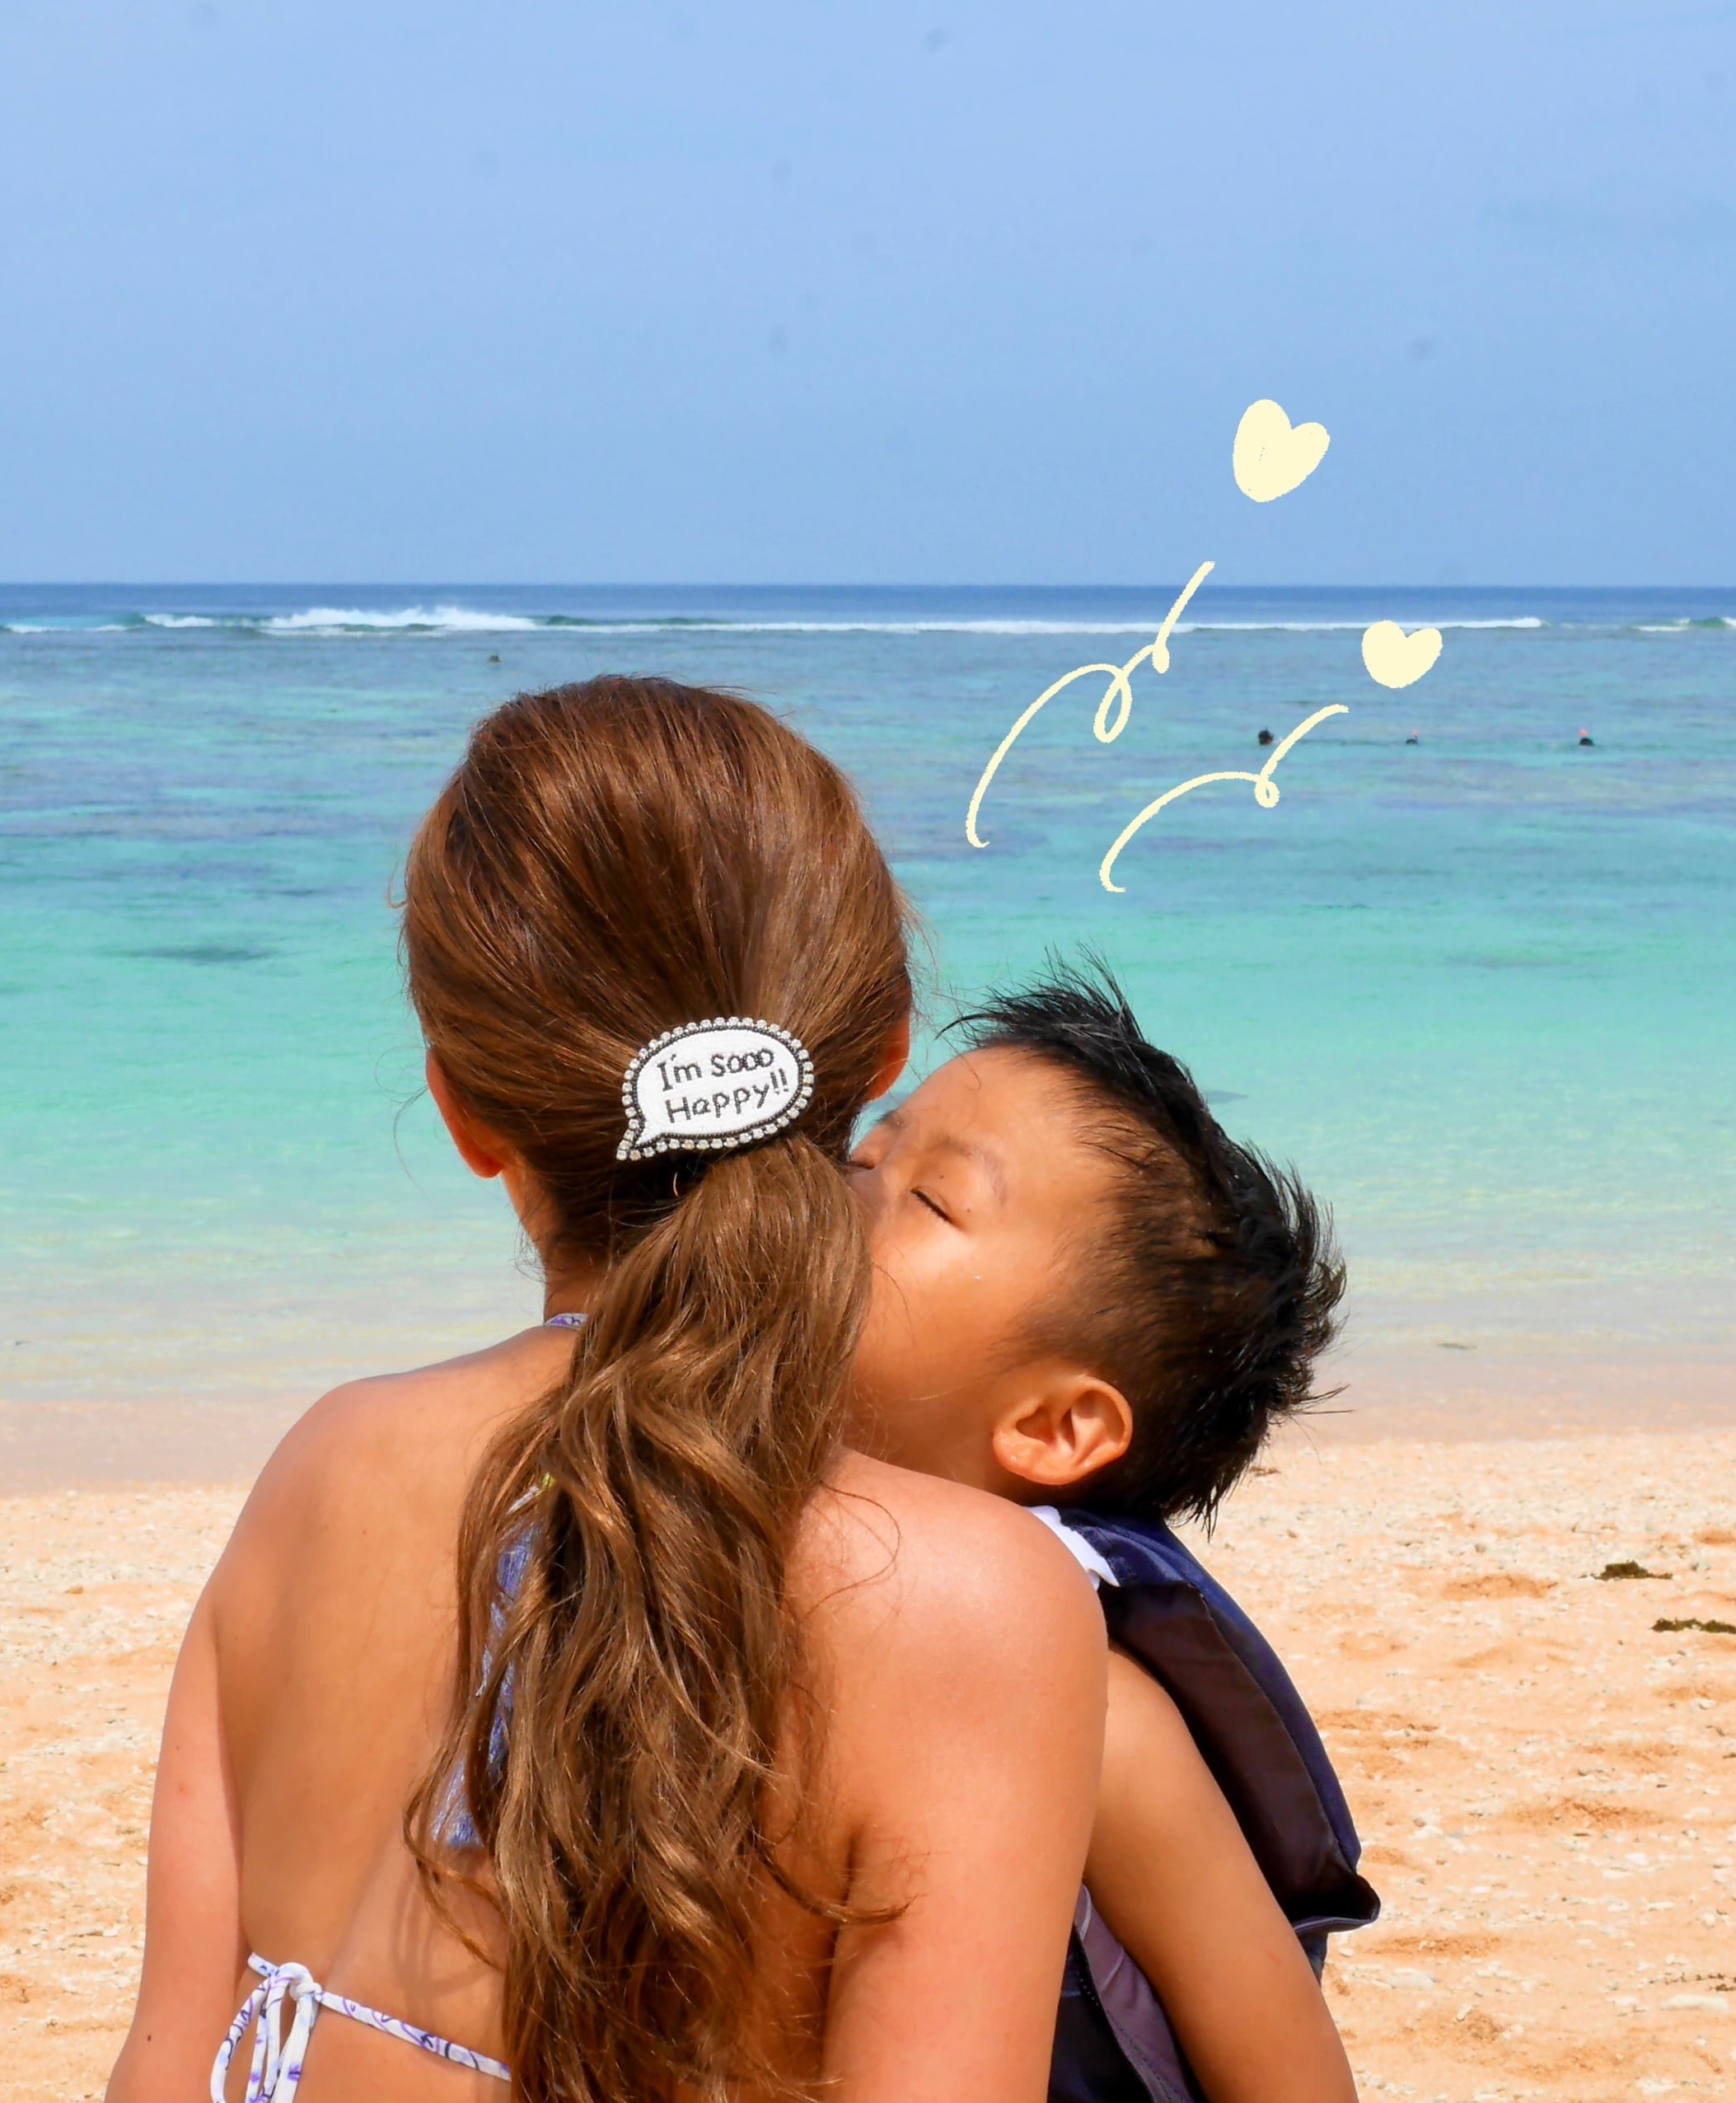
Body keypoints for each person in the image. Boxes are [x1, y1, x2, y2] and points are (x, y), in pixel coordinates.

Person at [107, 678, 1109, 2103]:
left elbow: (165, 2064)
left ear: (461, 1110)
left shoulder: (328, 1462)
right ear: (887, 1048)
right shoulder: (971, 1602)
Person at [845, 963, 1376, 2103]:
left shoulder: (1092, 1714)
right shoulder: (708, 1528)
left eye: (931, 1201)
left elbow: (1285, 2072)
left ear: (1054, 1427)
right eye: (863, 1154)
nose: (844, 1189)